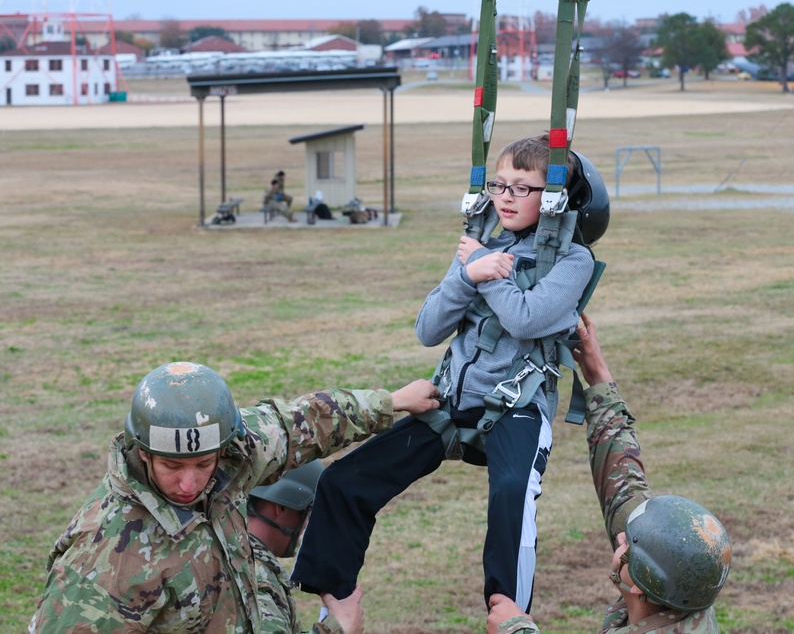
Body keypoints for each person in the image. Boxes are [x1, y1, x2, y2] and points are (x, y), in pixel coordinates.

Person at [293, 134, 610, 612]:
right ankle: (336, 597)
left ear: (555, 198)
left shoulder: (573, 261)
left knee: (512, 495)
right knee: (343, 481)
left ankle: (507, 611)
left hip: (516, 408)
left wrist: (485, 270)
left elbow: (526, 318)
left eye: (523, 188)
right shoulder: (477, 245)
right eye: (500, 185)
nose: (505, 196)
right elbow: (428, 328)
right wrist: (467, 274)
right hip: (450, 403)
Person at [29, 361, 439, 633]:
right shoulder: (105, 562)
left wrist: (391, 402)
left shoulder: (230, 460)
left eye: (203, 463)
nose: (190, 484)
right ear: (144, 452)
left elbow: (297, 424)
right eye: (172, 467)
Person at [486, 313, 732, 634]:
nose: (619, 538)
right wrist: (600, 381)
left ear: (641, 586)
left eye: (627, 545)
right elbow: (625, 486)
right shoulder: (681, 592)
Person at [249, 460, 365, 634]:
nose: (307, 523)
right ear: (280, 507)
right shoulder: (253, 579)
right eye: (307, 510)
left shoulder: (229, 555)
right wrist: (339, 628)